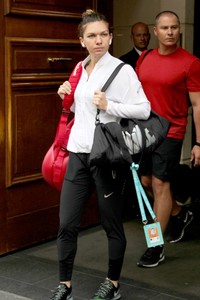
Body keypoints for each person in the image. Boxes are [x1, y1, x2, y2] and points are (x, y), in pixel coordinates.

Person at [50, 9, 150, 300]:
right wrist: (65, 94)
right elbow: (78, 110)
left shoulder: (122, 70)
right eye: (92, 36)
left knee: (111, 224)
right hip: (78, 155)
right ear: (81, 40)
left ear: (110, 36)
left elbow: (144, 109)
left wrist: (110, 105)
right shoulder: (80, 68)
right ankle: (64, 286)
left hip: (106, 156)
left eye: (103, 34)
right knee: (67, 223)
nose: (99, 41)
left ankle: (113, 283)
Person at [135, 10, 200, 268]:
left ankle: (155, 246)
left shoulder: (191, 62)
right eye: (165, 28)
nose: (170, 32)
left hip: (171, 132)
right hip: (144, 131)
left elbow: (197, 104)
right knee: (146, 181)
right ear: (156, 31)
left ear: (179, 30)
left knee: (161, 185)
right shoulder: (146, 58)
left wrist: (198, 142)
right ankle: (179, 213)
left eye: (174, 27)